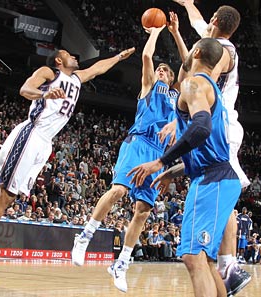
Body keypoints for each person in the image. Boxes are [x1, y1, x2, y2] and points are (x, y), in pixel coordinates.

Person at [0, 46, 135, 281]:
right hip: (31, 134)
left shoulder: (75, 79)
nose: (75, 57)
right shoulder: (49, 72)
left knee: (6, 196)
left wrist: (118, 57)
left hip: (45, 142)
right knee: (5, 194)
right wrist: (44, 94)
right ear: (59, 60)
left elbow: (96, 69)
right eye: (69, 54)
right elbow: (25, 89)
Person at [128, 38, 240, 297]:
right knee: (206, 262)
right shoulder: (214, 91)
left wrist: (160, 161)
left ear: (197, 52)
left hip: (212, 180)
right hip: (220, 175)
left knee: (192, 257)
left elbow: (201, 128)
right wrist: (173, 171)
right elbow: (209, 149)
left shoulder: (193, 84)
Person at [71, 26, 178, 293]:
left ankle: (121, 263)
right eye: (160, 70)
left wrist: (168, 168)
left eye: (166, 70)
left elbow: (189, 67)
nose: (161, 72)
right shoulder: (149, 88)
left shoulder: (178, 100)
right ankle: (84, 236)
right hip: (138, 143)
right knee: (119, 190)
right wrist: (156, 31)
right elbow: (146, 57)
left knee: (143, 211)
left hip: (159, 156)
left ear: (173, 78)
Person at [167, 2, 251, 294]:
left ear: (216, 21)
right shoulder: (212, 40)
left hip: (221, 122)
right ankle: (224, 267)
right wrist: (189, 4)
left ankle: (229, 265)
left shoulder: (224, 52)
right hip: (217, 122)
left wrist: (184, 113)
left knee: (222, 181)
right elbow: (196, 22)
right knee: (221, 183)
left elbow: (202, 84)